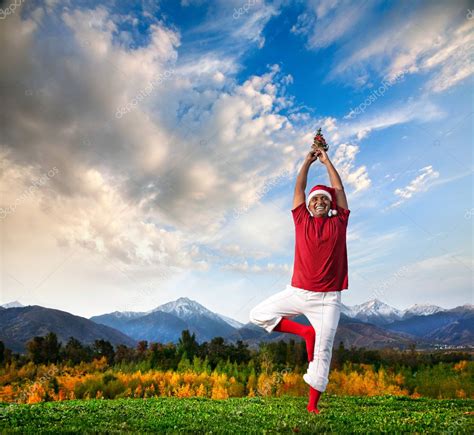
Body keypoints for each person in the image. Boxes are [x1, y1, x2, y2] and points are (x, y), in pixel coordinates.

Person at [248, 147, 350, 414]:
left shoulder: (339, 222)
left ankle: (312, 406)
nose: (319, 202)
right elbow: (299, 189)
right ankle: (305, 332)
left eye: (324, 200)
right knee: (258, 313)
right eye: (315, 199)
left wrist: (327, 162)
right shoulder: (300, 219)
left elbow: (338, 190)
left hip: (328, 299)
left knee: (323, 351)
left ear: (330, 205)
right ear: (308, 205)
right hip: (297, 291)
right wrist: (306, 162)